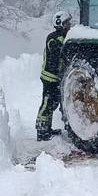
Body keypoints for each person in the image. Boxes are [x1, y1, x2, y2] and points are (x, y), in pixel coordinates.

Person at [36, 12, 70, 140]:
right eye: (66, 23)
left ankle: (47, 129)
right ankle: (41, 131)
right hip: (49, 77)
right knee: (47, 103)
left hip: (57, 77)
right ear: (59, 24)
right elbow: (57, 53)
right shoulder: (53, 38)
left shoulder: (64, 36)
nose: (69, 25)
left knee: (53, 103)